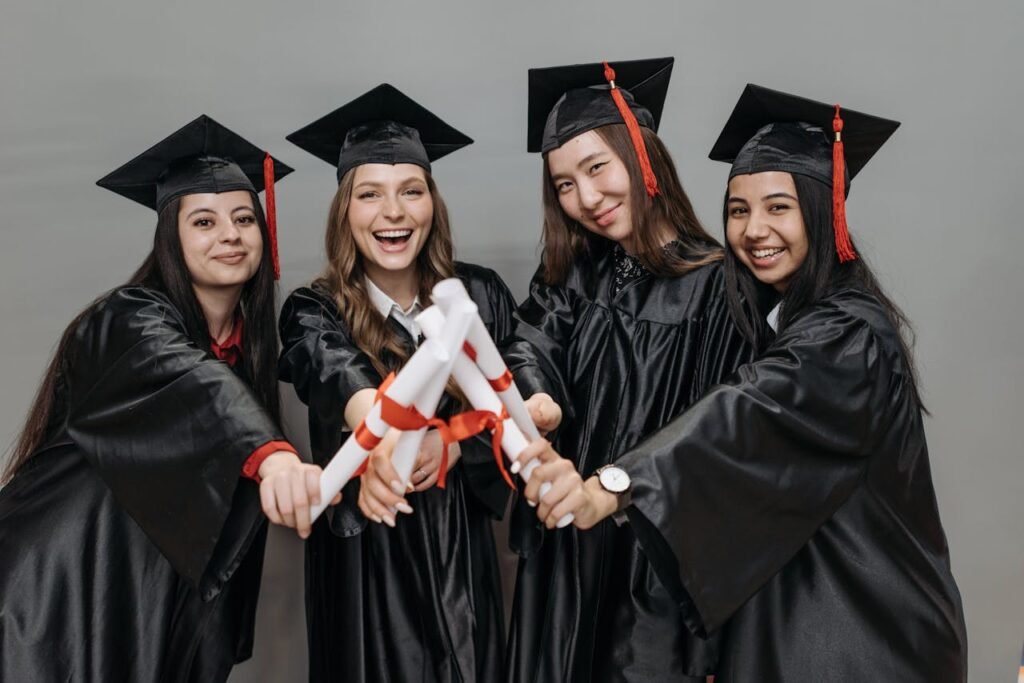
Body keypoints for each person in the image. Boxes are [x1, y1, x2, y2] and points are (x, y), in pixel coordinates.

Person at [520, 84, 968, 682]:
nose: (755, 229)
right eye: (738, 210)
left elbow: (747, 409)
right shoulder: (794, 312)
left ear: (822, 209)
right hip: (795, 615)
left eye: (779, 207)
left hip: (857, 628)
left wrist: (613, 483)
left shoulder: (846, 333)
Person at [0, 115, 326, 683]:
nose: (230, 234)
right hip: (53, 588)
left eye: (245, 218)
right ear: (170, 239)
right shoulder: (127, 319)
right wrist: (271, 454)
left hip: (138, 600)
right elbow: (185, 379)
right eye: (204, 221)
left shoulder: (245, 357)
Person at [502, 58, 755, 683]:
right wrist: (538, 403)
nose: (586, 198)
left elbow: (724, 440)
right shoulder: (573, 276)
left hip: (657, 571)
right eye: (564, 184)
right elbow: (528, 346)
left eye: (596, 168)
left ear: (644, 159)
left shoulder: (722, 286)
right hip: (567, 551)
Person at [278, 83, 517, 683]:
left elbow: (513, 402)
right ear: (345, 211)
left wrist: (454, 446)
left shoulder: (479, 295)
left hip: (460, 548)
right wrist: (384, 433)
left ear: (431, 203)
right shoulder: (315, 308)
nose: (394, 212)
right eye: (370, 195)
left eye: (411, 191)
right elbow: (336, 374)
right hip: (364, 559)